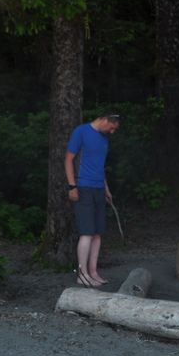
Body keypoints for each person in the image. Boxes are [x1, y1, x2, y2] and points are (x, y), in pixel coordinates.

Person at [64, 110, 121, 287]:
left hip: (98, 188)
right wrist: (72, 186)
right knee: (87, 232)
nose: (112, 132)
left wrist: (106, 189)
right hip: (83, 187)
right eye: (111, 127)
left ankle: (93, 272)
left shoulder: (104, 139)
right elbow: (68, 159)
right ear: (104, 120)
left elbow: (100, 166)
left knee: (97, 234)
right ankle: (82, 274)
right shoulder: (81, 132)